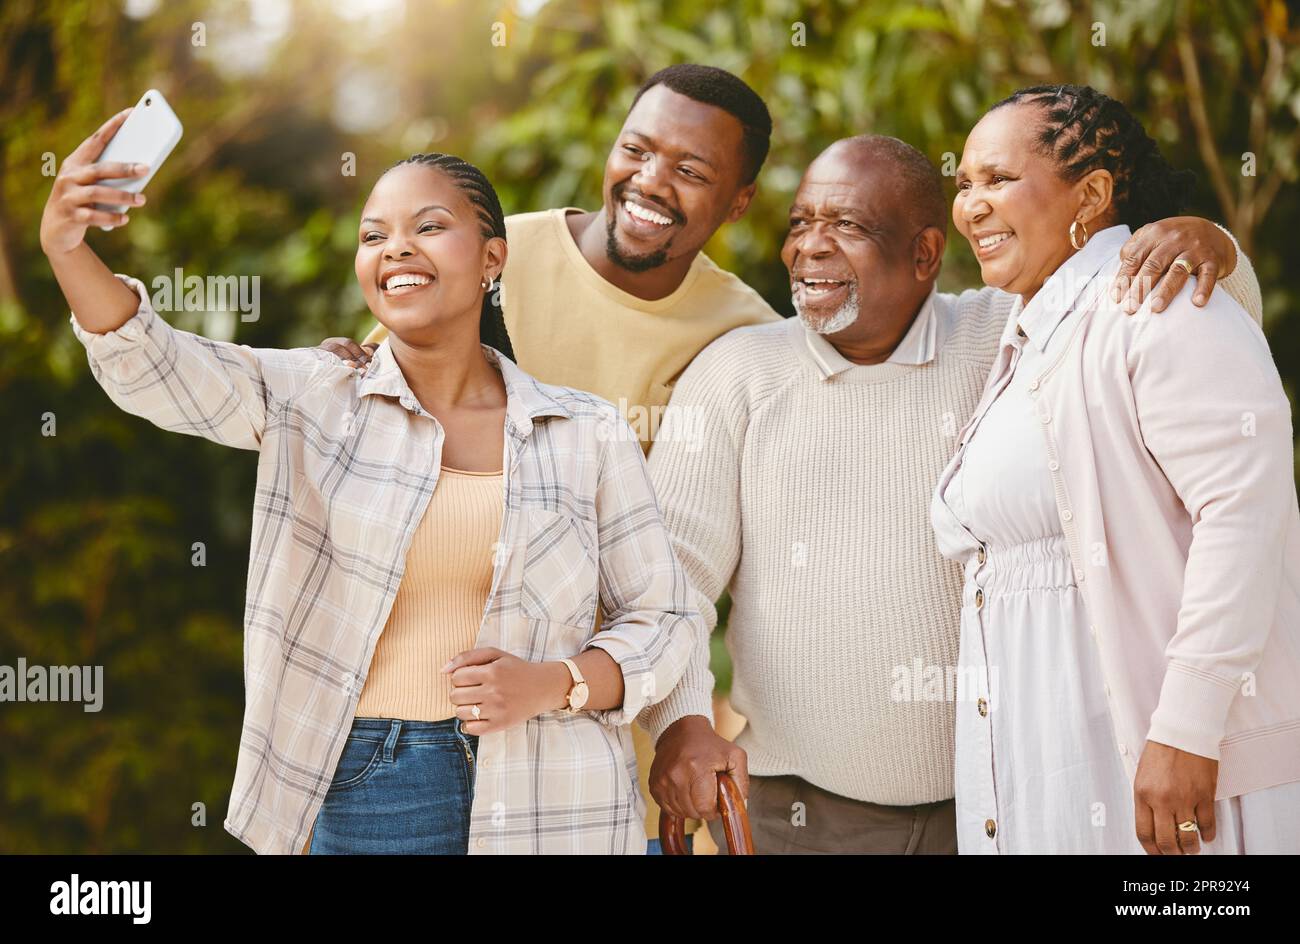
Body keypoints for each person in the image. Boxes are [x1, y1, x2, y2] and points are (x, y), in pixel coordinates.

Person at [44, 107, 698, 854]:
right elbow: (155, 366)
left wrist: (557, 682)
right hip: (372, 788)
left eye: (428, 227)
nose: (396, 249)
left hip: (560, 792)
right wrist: (66, 248)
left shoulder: (587, 431)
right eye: (374, 235)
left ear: (493, 259)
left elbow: (665, 619)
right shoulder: (314, 397)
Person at [644, 132, 1262, 854]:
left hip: (1007, 803)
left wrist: (1215, 243)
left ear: (926, 254)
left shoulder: (1012, 334)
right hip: (803, 815)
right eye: (801, 224)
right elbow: (668, 580)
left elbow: (1203, 316)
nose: (809, 247)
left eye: (846, 226)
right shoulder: (736, 374)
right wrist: (682, 718)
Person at [322, 64, 783, 853]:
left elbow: (688, 570)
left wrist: (689, 721)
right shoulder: (494, 256)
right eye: (637, 150)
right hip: (415, 735)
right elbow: (370, 452)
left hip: (599, 767)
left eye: (691, 171)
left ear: (739, 201)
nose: (650, 182)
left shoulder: (743, 336)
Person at [929, 84, 1300, 854]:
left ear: (1092, 194)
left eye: (998, 179)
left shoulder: (1159, 302)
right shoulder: (1028, 329)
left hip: (1161, 767)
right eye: (964, 185)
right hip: (1052, 772)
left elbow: (1243, 512)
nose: (971, 205)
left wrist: (1187, 729)